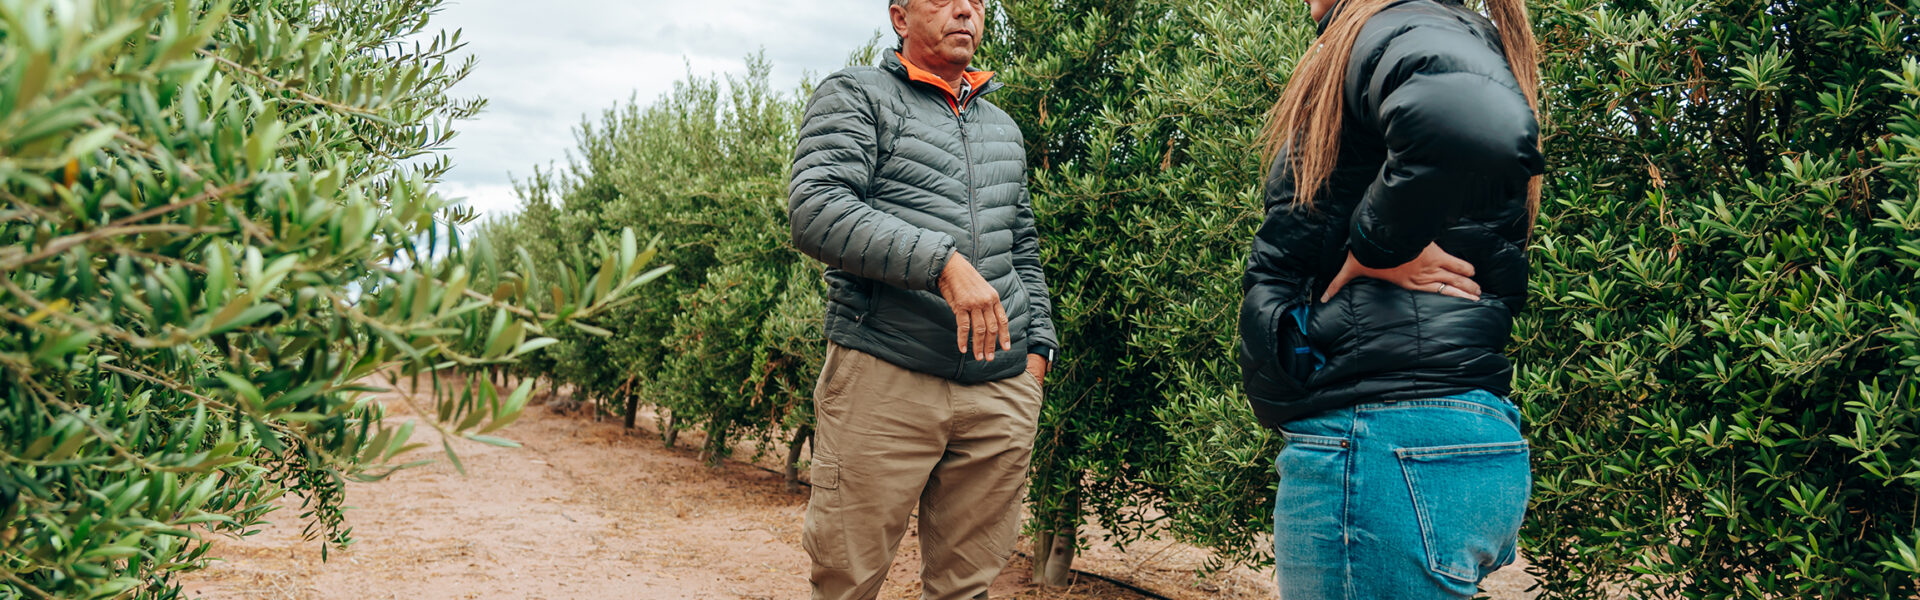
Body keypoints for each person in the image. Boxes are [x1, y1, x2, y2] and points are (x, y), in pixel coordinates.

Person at [1237, 0, 1547, 597]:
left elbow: (1472, 122)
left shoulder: (1400, 22)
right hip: (1432, 437)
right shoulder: (1428, 27)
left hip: (1380, 445)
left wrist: (1374, 246)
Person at [785, 0, 1058, 597]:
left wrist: (1039, 353)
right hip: (885, 375)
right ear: (900, 17)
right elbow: (816, 210)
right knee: (846, 580)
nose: (965, 10)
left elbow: (1024, 250)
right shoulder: (857, 95)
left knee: (967, 587)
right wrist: (941, 263)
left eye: (978, 2)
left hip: (1001, 388)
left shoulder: (1002, 128)